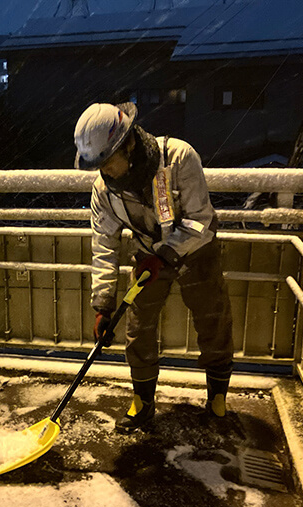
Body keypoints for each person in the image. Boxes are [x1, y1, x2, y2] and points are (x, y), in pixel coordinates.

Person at [74, 102, 234, 433]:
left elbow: (200, 219)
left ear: (129, 144)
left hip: (197, 249)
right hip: (148, 253)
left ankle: (217, 399)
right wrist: (103, 304)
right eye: (98, 165)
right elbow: (104, 245)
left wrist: (164, 257)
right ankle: (143, 402)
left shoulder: (177, 158)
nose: (104, 171)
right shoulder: (104, 190)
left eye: (108, 161)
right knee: (138, 327)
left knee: (213, 319)